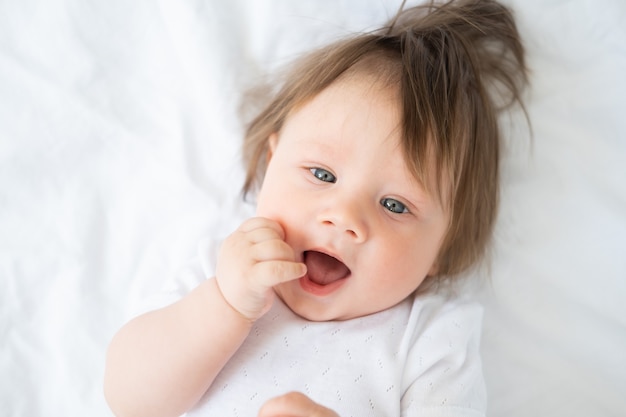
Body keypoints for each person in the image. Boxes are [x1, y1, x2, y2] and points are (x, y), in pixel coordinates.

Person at [104, 0, 528, 416]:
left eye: (395, 205)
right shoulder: (221, 272)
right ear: (272, 164)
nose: (344, 217)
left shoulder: (431, 337)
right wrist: (224, 305)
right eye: (322, 175)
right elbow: (128, 398)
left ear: (443, 247)